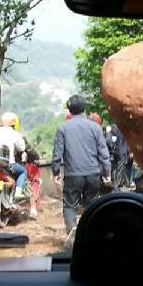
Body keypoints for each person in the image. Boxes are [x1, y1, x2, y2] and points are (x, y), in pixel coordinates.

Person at [52, 95, 111, 234]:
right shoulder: (95, 127)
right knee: (91, 205)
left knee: (70, 206)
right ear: (84, 108)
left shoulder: (63, 128)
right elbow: (103, 152)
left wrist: (56, 172)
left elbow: (57, 154)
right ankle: (90, 232)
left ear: (69, 109)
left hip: (73, 175)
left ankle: (72, 231)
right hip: (93, 174)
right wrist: (106, 173)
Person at [0, 112, 29, 203]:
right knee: (23, 171)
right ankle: (18, 193)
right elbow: (22, 148)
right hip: (9, 164)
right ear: (14, 123)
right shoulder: (14, 133)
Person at [105, 123, 130, 190]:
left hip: (115, 151)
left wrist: (112, 147)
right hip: (122, 151)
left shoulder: (112, 127)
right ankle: (116, 185)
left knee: (119, 168)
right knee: (120, 168)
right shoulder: (124, 128)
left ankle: (126, 183)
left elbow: (108, 140)